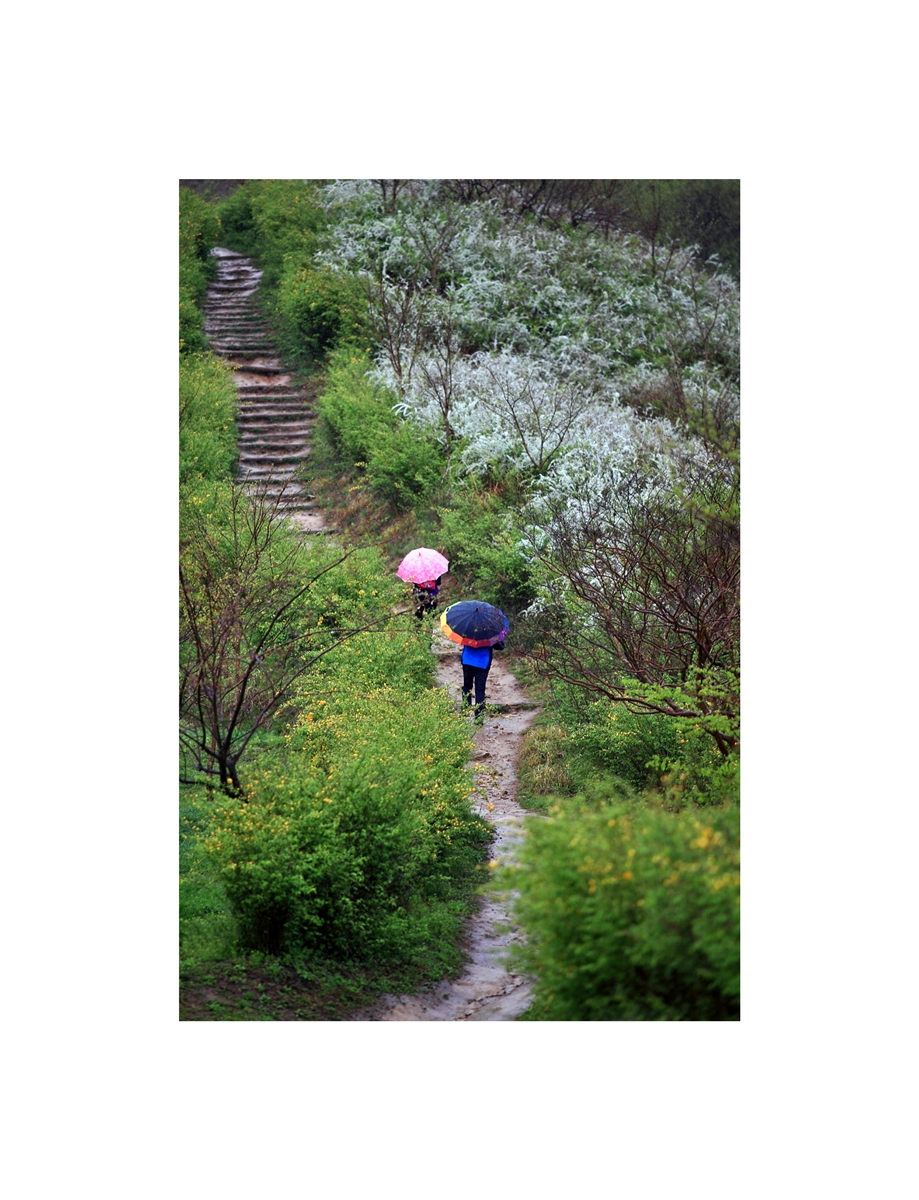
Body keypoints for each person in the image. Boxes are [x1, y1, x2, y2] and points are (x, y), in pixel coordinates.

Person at [460, 633, 504, 722]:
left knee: (467, 687)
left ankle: (465, 713)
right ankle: (479, 718)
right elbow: (500, 646)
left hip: (467, 660)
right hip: (482, 663)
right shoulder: (490, 631)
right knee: (480, 690)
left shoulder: (468, 628)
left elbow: (461, 639)